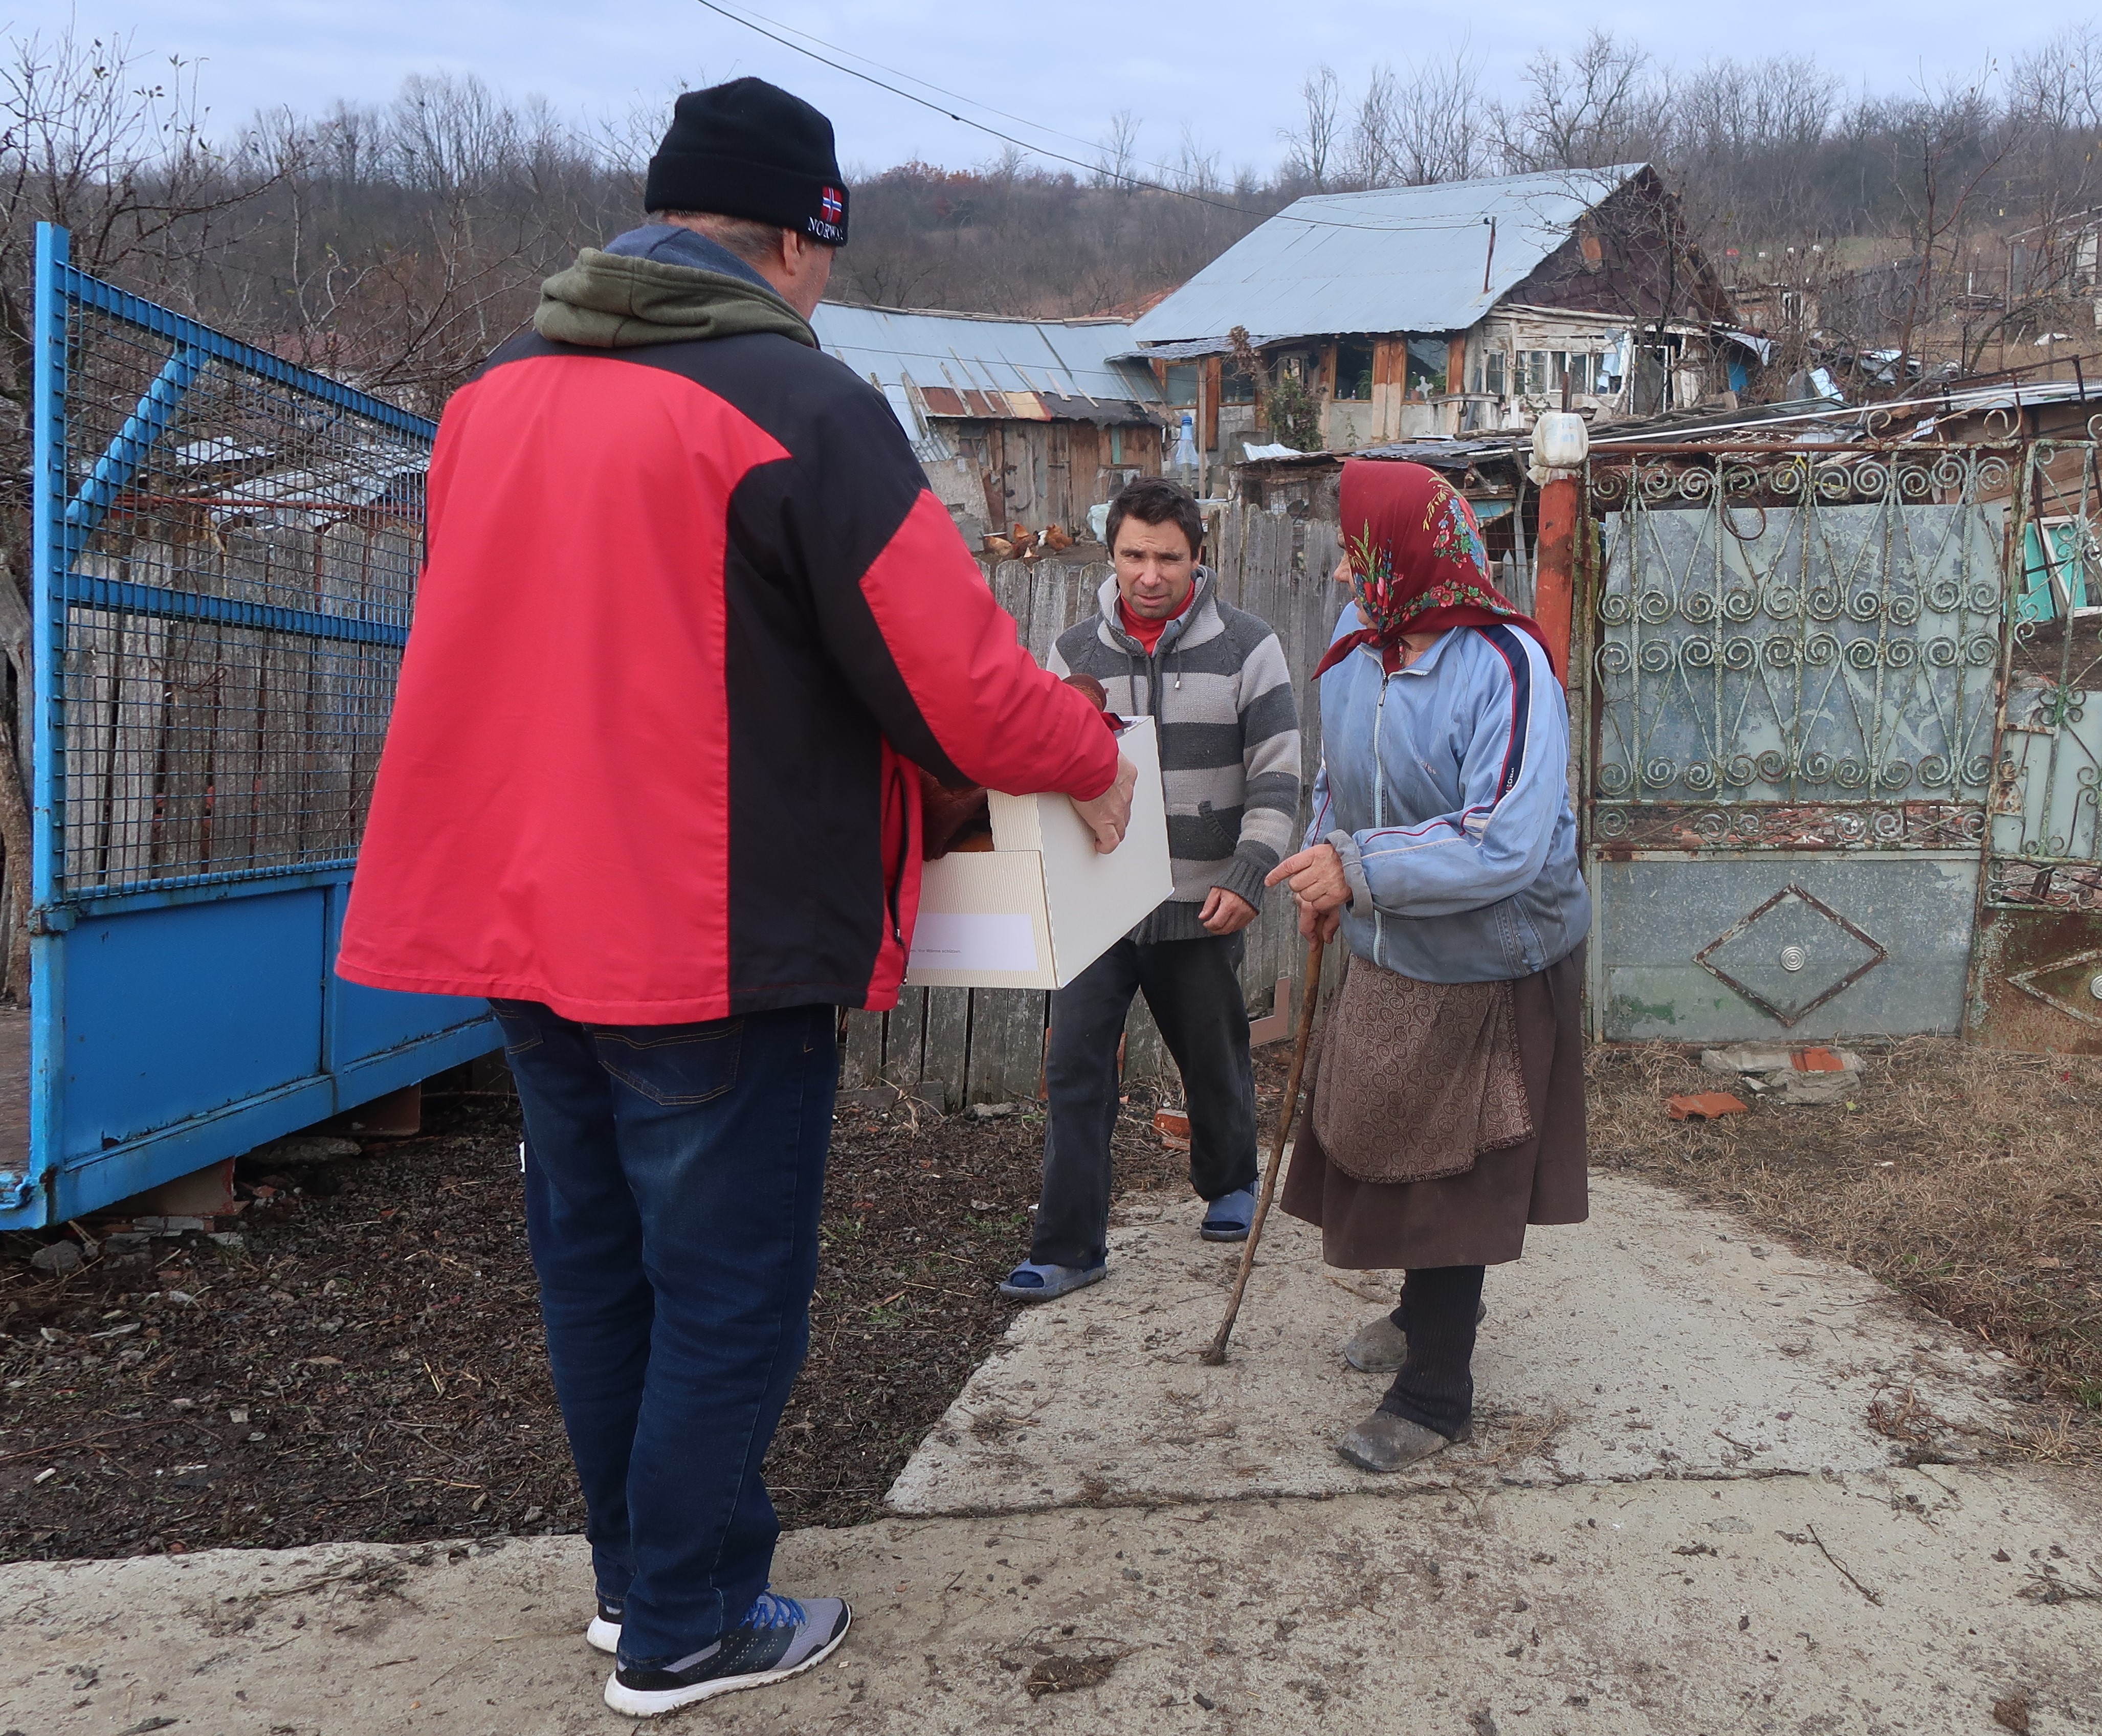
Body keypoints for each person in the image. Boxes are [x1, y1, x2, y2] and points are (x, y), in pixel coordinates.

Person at [337, 78, 1135, 1719]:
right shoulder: (796, 404)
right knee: (728, 1288)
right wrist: (1086, 755)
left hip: (526, 931)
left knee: (598, 1271)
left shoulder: (489, 402)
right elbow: (957, 677)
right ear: (788, 233)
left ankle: (638, 1587)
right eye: (823, 256)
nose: (823, 288)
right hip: (706, 935)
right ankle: (695, 1622)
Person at [1265, 458, 1589, 1474]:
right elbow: (1335, 778)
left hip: (1493, 959)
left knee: (1455, 1169)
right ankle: (1415, 1318)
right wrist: (1327, 867)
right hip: (1392, 937)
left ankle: (1437, 1393)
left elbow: (1507, 841)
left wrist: (1356, 869)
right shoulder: (1360, 642)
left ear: (1414, 550)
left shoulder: (1505, 665)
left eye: (1366, 549)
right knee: (1388, 1136)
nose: (1351, 568)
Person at [1000, 476, 1301, 1301]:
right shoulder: (1071, 652)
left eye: (1168, 557)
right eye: (1134, 555)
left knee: (1213, 1055)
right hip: (1093, 910)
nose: (1149, 574)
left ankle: (1229, 1182)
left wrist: (1248, 874)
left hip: (1202, 903)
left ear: (1197, 558)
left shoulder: (1250, 646)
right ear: (1113, 555)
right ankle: (1068, 1247)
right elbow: (1042, 770)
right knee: (1075, 1072)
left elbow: (1279, 779)